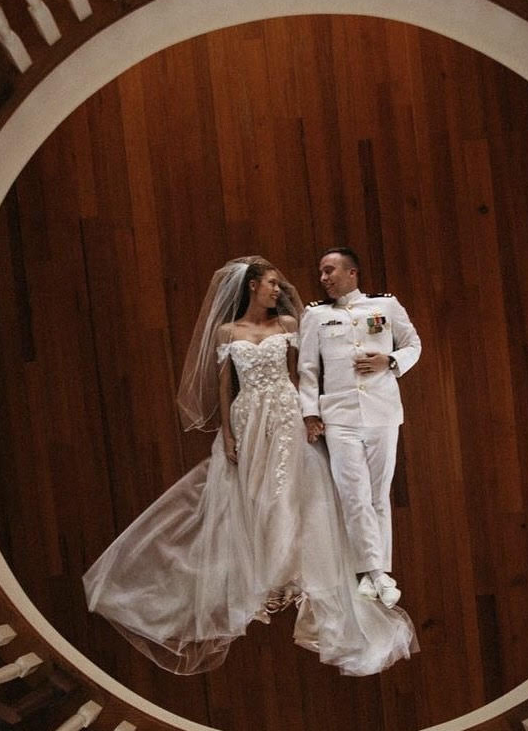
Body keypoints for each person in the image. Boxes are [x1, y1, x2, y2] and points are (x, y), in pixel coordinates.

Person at [82, 256, 416, 677]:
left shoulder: (292, 325)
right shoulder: (228, 332)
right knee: (251, 497)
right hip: (247, 416)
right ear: (252, 287)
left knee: (296, 495)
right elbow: (226, 382)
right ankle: (261, 578)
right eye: (271, 284)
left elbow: (302, 374)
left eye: (279, 284)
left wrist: (308, 414)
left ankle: (297, 576)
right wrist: (227, 430)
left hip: (286, 411)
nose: (278, 290)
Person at [298, 248, 421, 608]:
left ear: (352, 273)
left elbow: (414, 344)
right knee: (353, 494)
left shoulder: (385, 306)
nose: (324, 277)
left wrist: (390, 360)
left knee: (378, 494)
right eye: (321, 272)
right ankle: (377, 571)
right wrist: (309, 411)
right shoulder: (316, 315)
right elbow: (308, 369)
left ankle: (373, 573)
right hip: (340, 417)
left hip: (382, 411)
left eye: (330, 270)